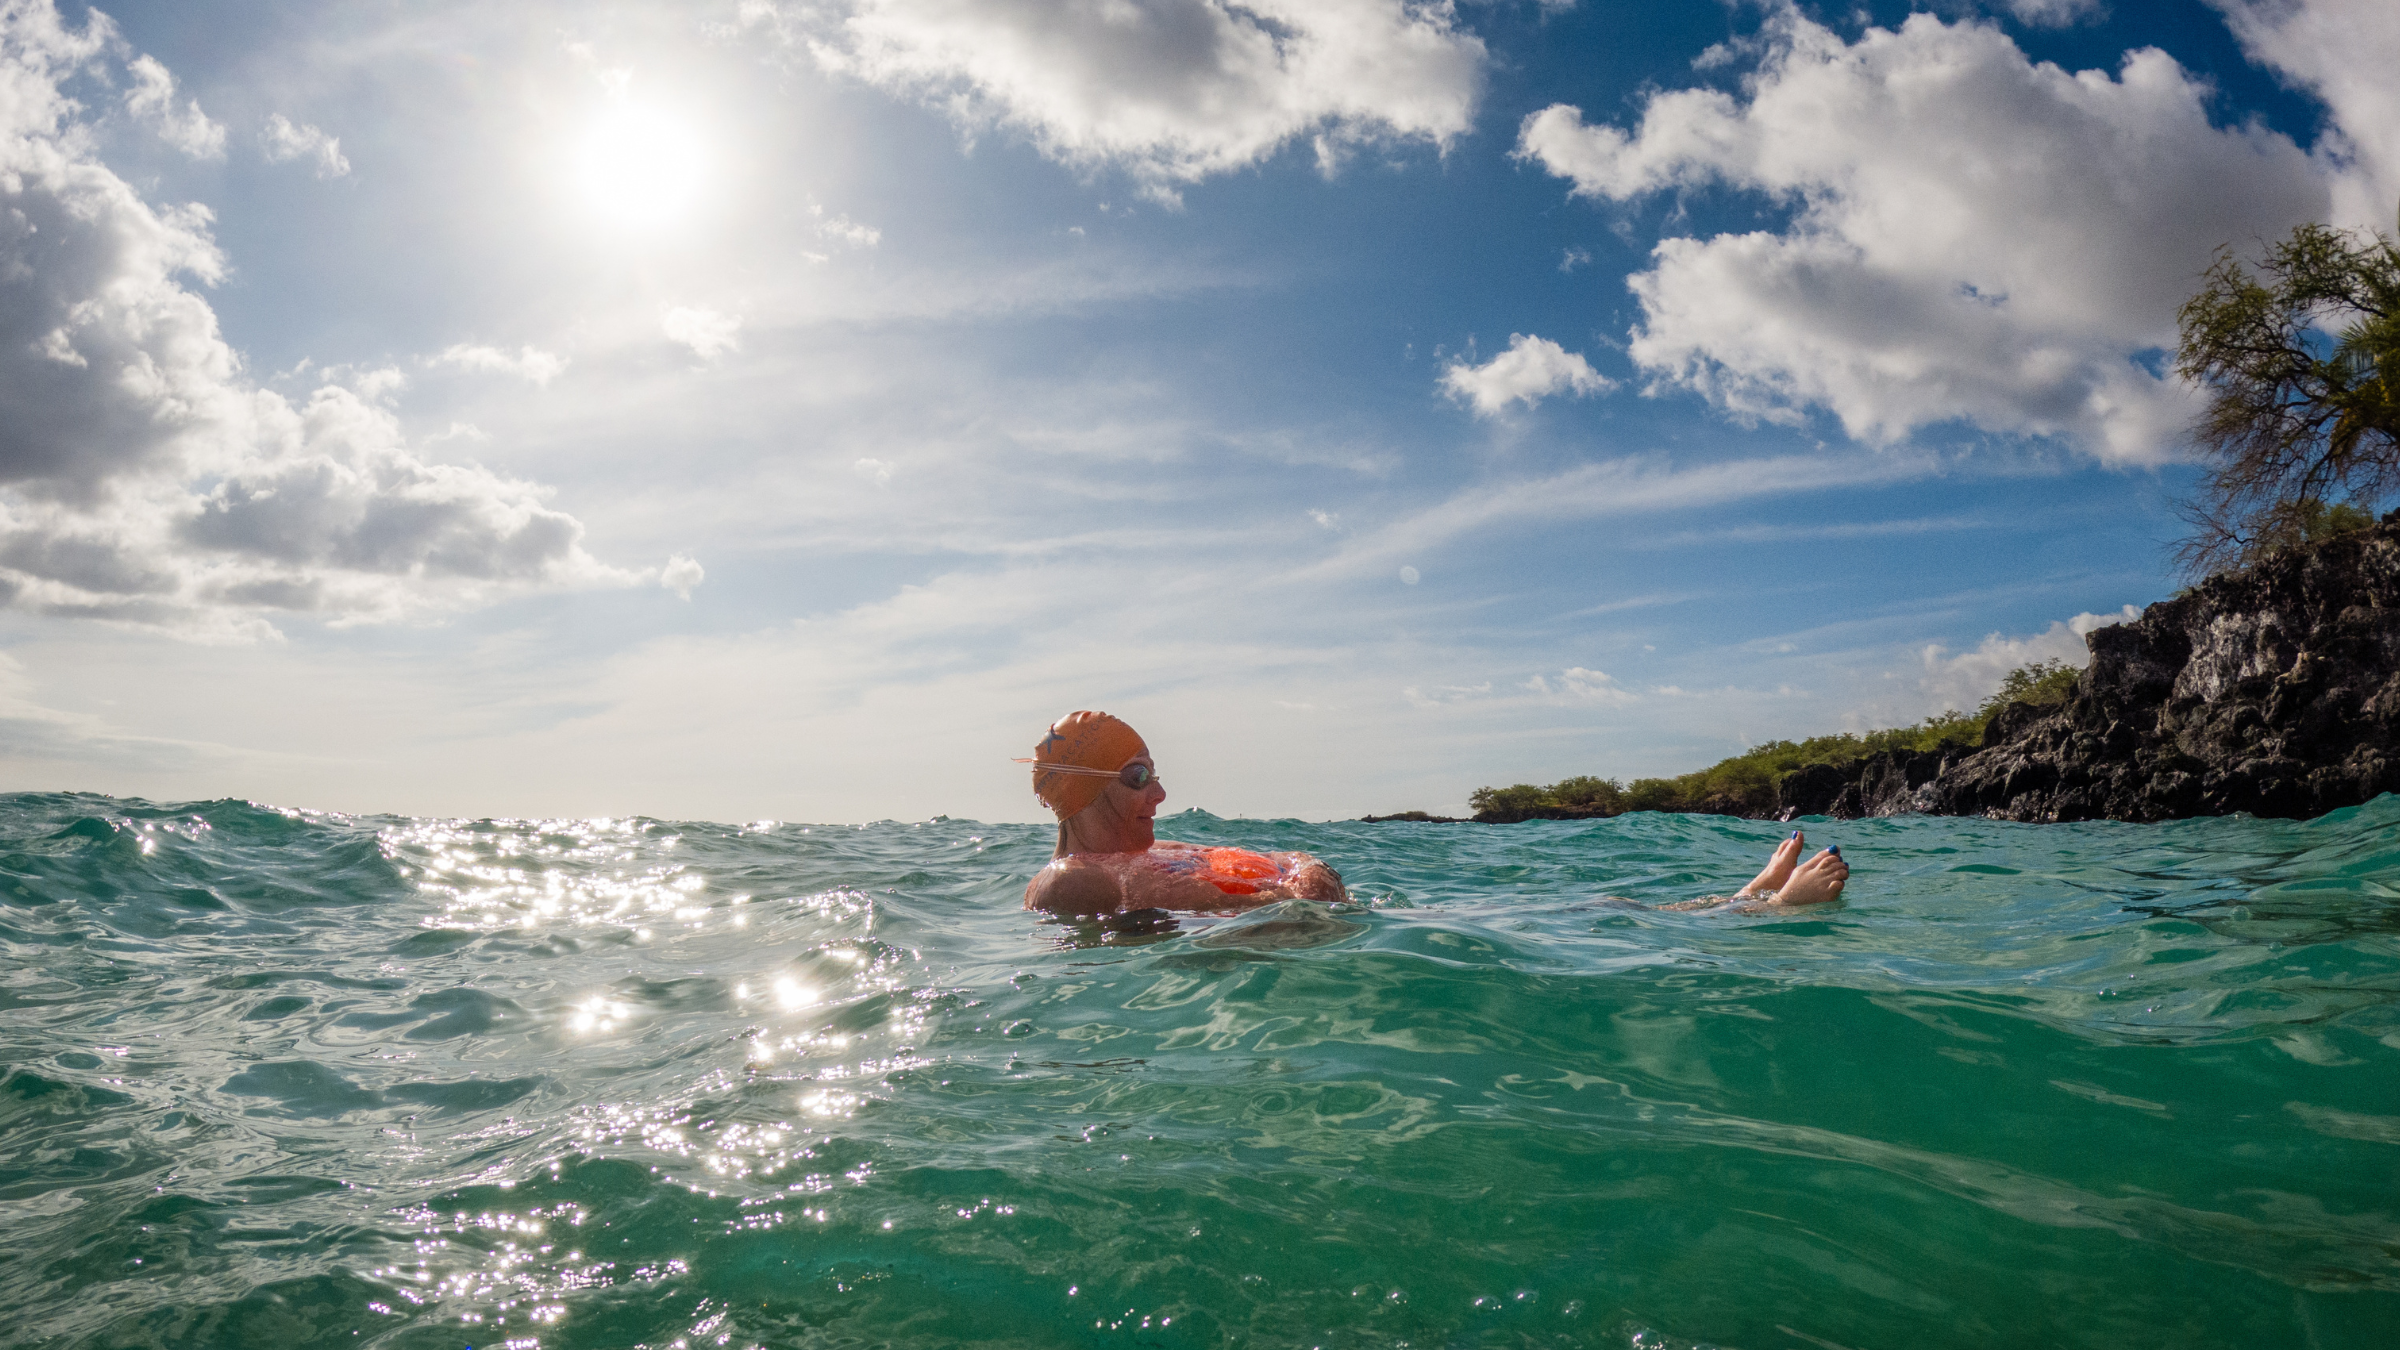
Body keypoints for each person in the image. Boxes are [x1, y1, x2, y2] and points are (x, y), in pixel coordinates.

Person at [1020, 711, 1347, 915]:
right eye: (1138, 776)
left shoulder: (1147, 851)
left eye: (1154, 775)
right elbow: (1288, 909)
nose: (1160, 794)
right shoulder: (1071, 881)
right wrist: (1315, 881)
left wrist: (1309, 870)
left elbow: (1283, 857)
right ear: (1082, 792)